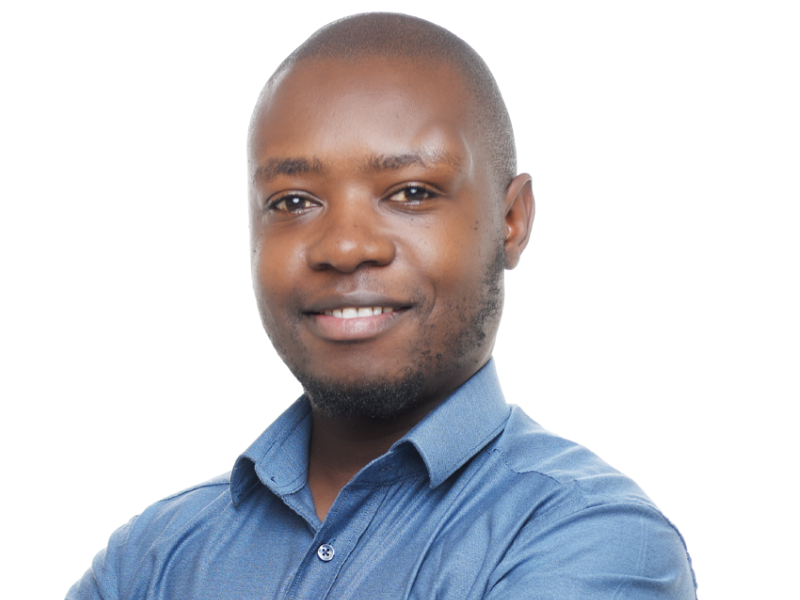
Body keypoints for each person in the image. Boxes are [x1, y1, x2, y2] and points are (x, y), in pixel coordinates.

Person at [68, 12, 697, 599]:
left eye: (411, 192)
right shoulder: (149, 559)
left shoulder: (594, 539)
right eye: (292, 202)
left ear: (511, 220)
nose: (344, 247)